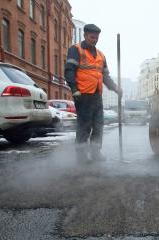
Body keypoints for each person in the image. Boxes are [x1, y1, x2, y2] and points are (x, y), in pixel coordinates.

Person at [64, 23, 122, 162]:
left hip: (96, 95)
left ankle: (95, 152)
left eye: (96, 38)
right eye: (92, 37)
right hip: (82, 94)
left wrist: (115, 88)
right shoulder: (76, 49)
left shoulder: (101, 55)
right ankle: (81, 155)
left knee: (98, 125)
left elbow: (105, 76)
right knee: (84, 125)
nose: (94, 40)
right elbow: (69, 71)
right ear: (85, 35)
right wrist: (74, 89)